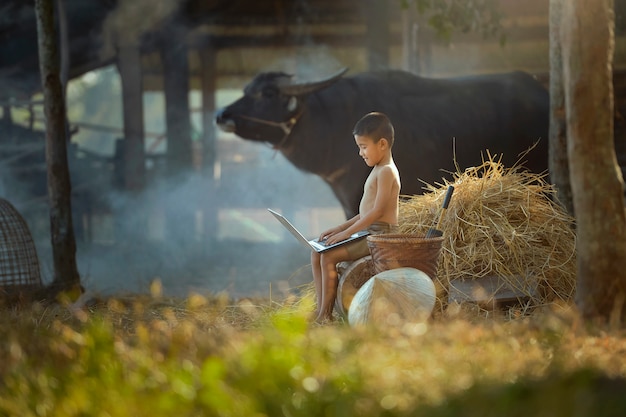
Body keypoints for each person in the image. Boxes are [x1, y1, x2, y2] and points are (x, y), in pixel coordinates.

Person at [311, 112, 401, 323]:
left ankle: (325, 315)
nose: (360, 153)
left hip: (380, 236)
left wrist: (346, 234)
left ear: (382, 144)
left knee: (328, 256)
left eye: (363, 146)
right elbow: (365, 212)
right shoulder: (378, 169)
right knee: (317, 253)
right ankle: (320, 308)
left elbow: (377, 213)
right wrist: (339, 229)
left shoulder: (387, 171)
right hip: (369, 231)